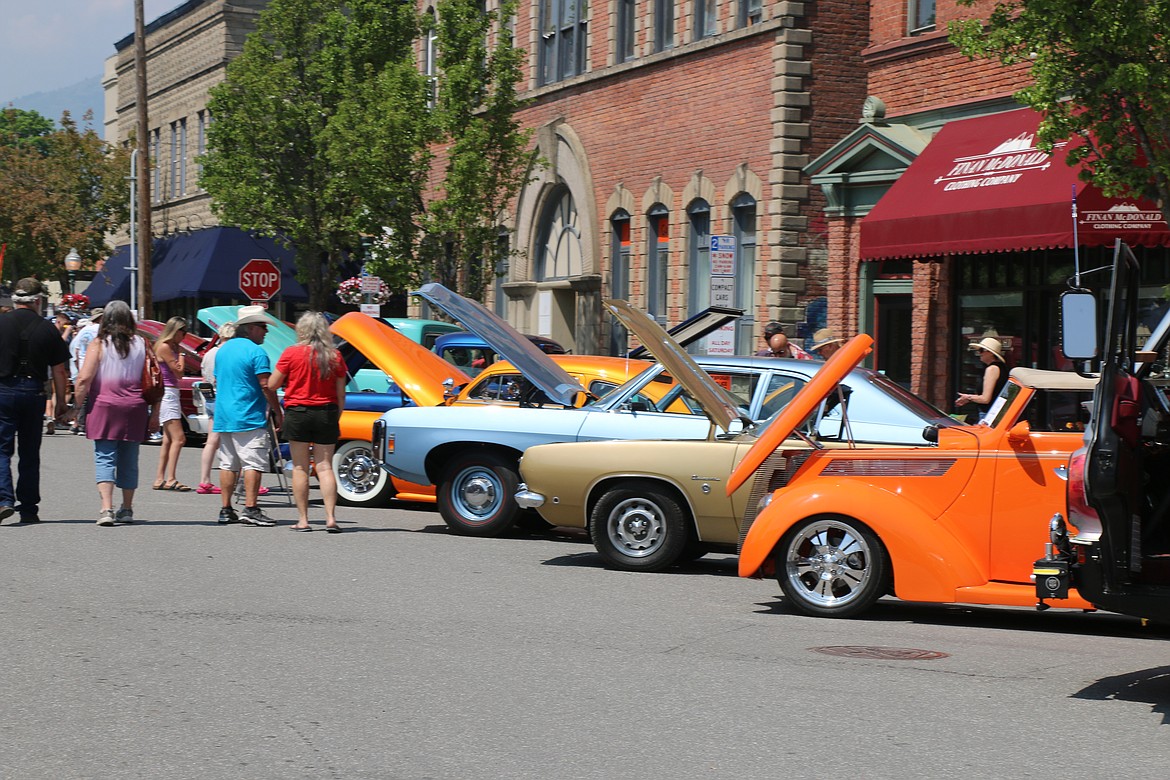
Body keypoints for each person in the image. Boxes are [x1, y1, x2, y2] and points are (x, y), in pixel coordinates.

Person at [70, 301, 156, 526]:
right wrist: (155, 412)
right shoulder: (142, 343)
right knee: (129, 459)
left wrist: (74, 408)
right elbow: (156, 379)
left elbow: (84, 379)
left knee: (105, 456)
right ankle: (127, 508)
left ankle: (106, 508)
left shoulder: (99, 344)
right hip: (135, 407)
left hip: (104, 406)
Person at [0, 278, 71, 523]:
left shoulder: (1, 322)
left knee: (1, 449)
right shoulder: (48, 328)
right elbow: (59, 370)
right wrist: (61, 401)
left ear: (15, 300)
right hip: (33, 392)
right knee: (30, 452)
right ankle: (28, 508)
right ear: (38, 301)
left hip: (4, 390)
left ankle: (3, 499)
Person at [269, 311, 347, 533]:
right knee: (324, 467)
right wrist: (336, 416)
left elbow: (273, 384)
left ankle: (303, 520)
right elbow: (341, 394)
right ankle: (331, 518)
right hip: (327, 412)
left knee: (300, 467)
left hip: (299, 412)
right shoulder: (334, 356)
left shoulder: (291, 353)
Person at [213, 305, 283, 526]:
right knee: (253, 462)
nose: (266, 331)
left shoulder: (222, 350)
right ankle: (251, 508)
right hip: (249, 414)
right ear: (251, 328)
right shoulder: (256, 352)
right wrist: (277, 410)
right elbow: (266, 385)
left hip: (224, 415)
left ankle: (226, 509)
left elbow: (218, 379)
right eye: (263, 327)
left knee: (228, 463)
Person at [152, 317, 191, 491]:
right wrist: (182, 355)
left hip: (170, 393)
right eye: (183, 332)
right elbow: (179, 373)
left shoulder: (169, 346)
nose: (185, 335)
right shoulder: (166, 347)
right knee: (179, 439)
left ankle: (160, 478)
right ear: (176, 331)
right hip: (168, 394)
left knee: (168, 440)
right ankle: (171, 478)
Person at [956, 336, 1009, 421]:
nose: (979, 353)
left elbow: (985, 399)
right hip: (994, 414)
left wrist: (968, 397)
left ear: (991, 353)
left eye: (981, 350)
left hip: (988, 415)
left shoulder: (992, 369)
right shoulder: (1000, 368)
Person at [69, 308, 103, 435]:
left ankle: (78, 423)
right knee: (93, 397)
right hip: (94, 367)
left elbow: (76, 349)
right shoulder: (100, 331)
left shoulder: (83, 330)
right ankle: (85, 424)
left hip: (82, 366)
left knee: (81, 396)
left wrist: (78, 366)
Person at [45, 310, 76, 434]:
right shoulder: (53, 332)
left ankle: (50, 417)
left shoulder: (60, 333)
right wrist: (67, 332)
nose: (66, 326)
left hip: (62, 367)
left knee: (50, 394)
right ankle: (52, 416)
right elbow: (58, 345)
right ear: (58, 321)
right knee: (57, 392)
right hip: (54, 367)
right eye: (64, 324)